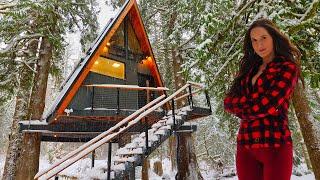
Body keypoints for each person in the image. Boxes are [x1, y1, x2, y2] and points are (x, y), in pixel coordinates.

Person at [223, 18, 305, 180]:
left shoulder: (287, 67)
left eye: (263, 38)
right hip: (246, 146)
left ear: (274, 37)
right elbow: (228, 102)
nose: (259, 44)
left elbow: (266, 106)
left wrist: (243, 105)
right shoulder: (248, 70)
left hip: (275, 145)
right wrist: (254, 102)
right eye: (254, 40)